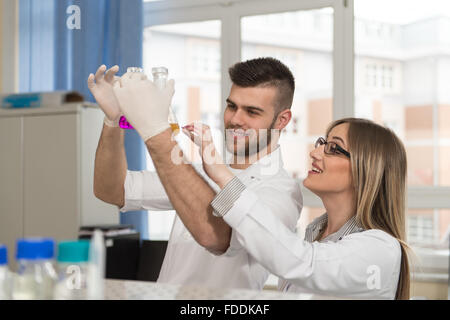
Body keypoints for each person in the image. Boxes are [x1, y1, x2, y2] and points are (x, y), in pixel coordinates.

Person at [88, 58, 303, 290]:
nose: (235, 120)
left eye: (252, 112)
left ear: (282, 120)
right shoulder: (200, 171)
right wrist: (114, 120)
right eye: (232, 106)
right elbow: (112, 190)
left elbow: (216, 237)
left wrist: (155, 130)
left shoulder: (282, 192)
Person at [185, 117, 410, 299]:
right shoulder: (316, 234)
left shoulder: (380, 249)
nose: (315, 152)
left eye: (333, 148)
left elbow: (299, 262)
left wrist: (219, 171)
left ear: (366, 169)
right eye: (322, 143)